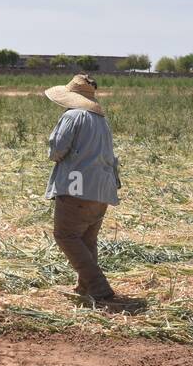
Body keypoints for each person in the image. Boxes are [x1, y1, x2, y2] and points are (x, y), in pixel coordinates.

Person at [43, 73, 129, 306]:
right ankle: (85, 286)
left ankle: (98, 287)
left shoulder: (73, 116)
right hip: (101, 189)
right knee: (86, 239)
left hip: (76, 186)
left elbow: (56, 150)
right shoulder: (101, 119)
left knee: (66, 235)